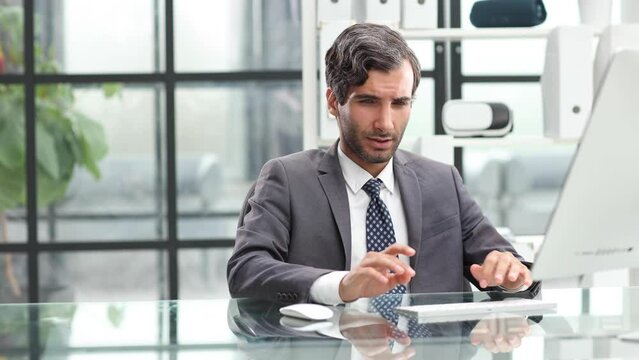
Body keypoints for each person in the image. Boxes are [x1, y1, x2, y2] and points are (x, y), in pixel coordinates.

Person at [227, 23, 533, 305]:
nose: (385, 124)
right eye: (368, 102)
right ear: (334, 102)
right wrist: (342, 285)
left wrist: (511, 275)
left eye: (400, 103)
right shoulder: (288, 179)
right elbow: (247, 270)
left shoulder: (442, 181)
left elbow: (508, 266)